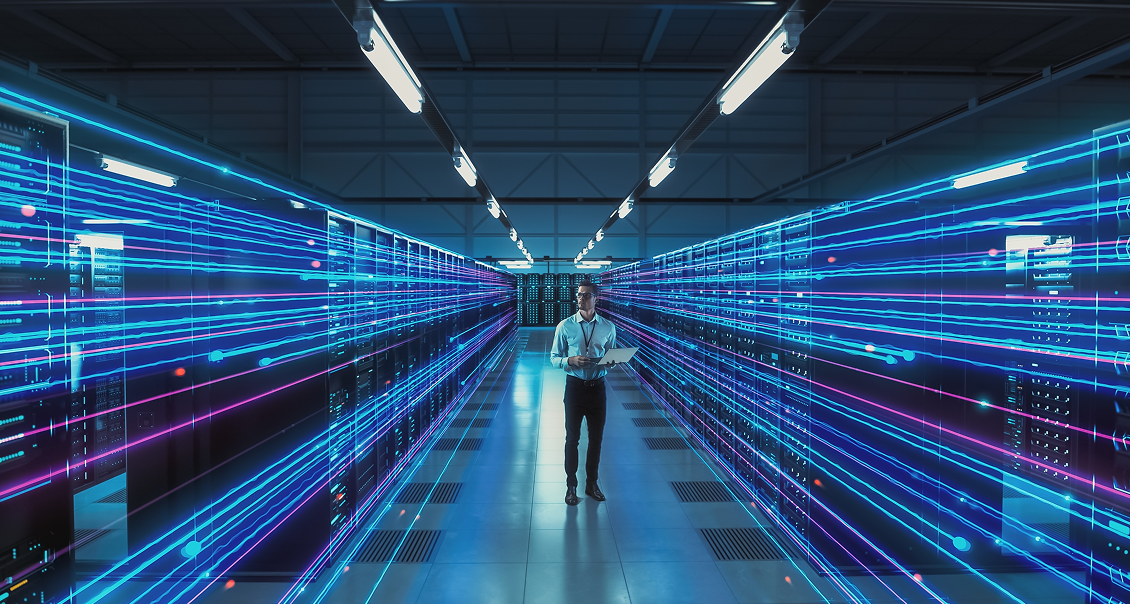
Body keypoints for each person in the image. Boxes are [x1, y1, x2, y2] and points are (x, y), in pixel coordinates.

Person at [549, 279, 618, 505]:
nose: (581, 298)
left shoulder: (608, 327)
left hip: (598, 388)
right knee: (573, 439)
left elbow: (613, 356)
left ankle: (592, 483)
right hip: (575, 388)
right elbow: (553, 358)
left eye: (586, 295)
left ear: (596, 299)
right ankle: (571, 486)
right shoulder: (565, 326)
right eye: (579, 294)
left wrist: (610, 363)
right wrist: (570, 360)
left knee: (596, 440)